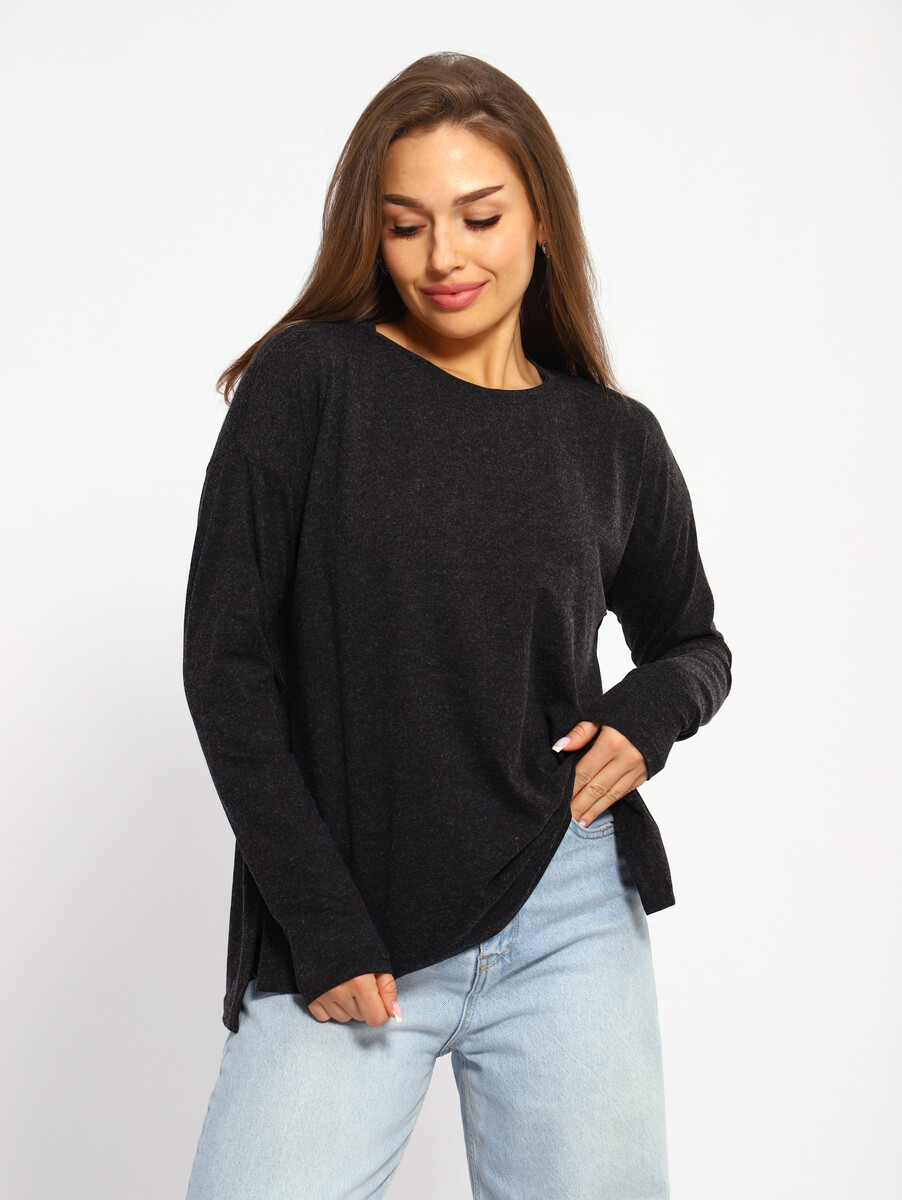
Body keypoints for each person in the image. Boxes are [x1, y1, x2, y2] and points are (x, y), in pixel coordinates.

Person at [181, 50, 732, 1200]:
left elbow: (692, 643)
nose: (443, 257)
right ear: (370, 233)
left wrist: (646, 715)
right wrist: (321, 921)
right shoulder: (310, 384)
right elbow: (227, 668)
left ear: (539, 219)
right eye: (405, 224)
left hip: (568, 909)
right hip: (355, 915)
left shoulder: (612, 440)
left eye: (478, 217)